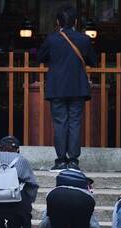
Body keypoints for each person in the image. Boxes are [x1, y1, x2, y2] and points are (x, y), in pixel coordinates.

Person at [38, 5, 97, 172]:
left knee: (60, 124)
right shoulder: (84, 39)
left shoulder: (52, 39)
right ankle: (73, 161)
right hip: (78, 88)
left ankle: (61, 160)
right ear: (76, 22)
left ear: (58, 22)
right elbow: (93, 61)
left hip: (57, 88)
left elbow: (40, 57)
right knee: (75, 123)